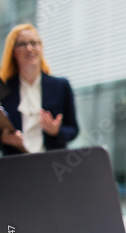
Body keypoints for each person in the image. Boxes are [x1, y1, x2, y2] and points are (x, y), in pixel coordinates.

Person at [0, 24, 78, 156]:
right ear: (13, 51)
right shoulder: (4, 89)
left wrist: (56, 131)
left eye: (34, 43)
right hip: (15, 166)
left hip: (52, 165)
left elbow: (73, 129)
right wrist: (3, 139)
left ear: (41, 48)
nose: (29, 48)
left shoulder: (61, 86)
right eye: (22, 44)